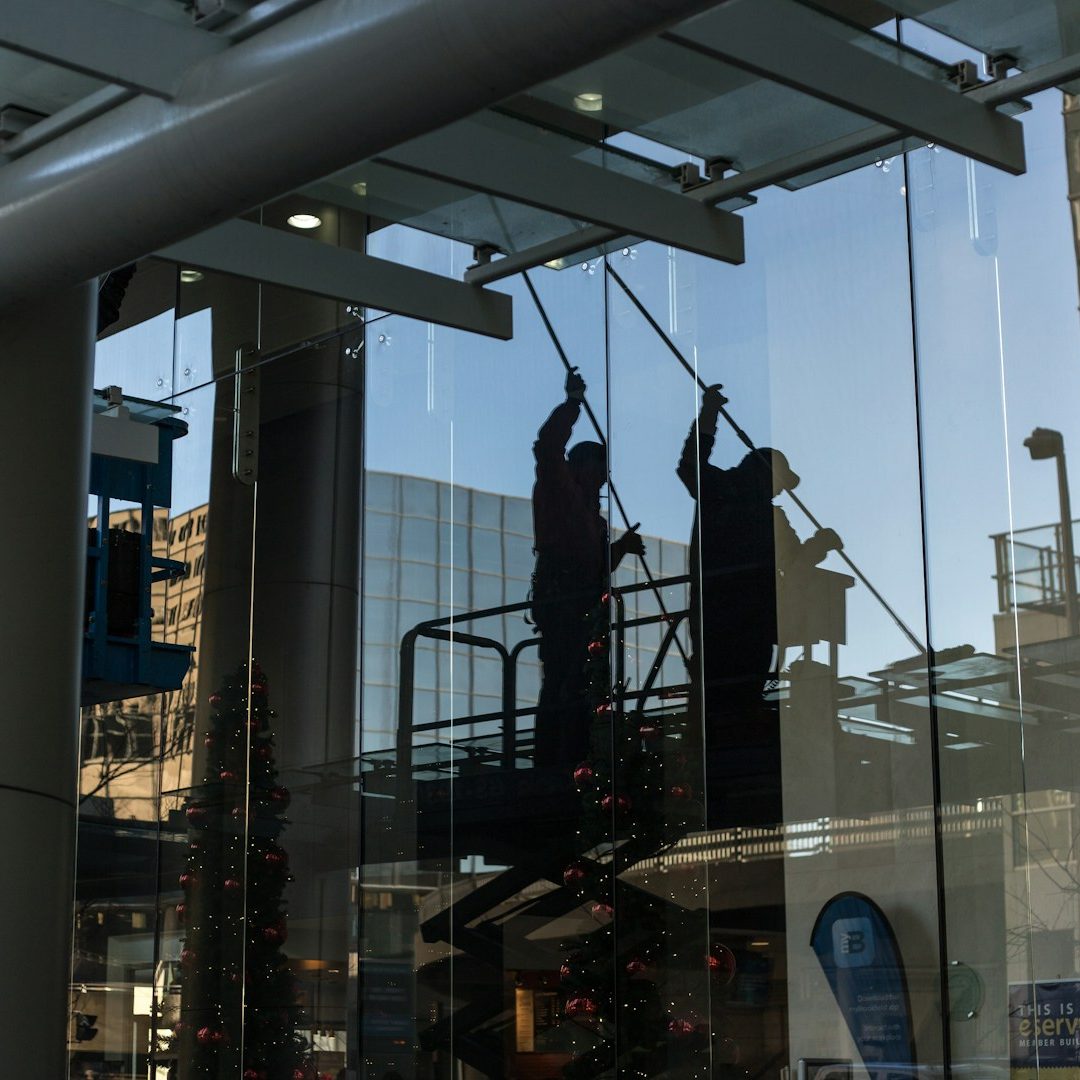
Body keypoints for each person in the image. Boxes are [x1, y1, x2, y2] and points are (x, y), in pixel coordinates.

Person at [677, 385, 841, 735]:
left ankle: (720, 729)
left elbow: (795, 560)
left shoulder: (745, 503)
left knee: (728, 684)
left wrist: (819, 544)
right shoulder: (722, 491)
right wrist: (709, 414)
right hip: (736, 615)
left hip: (735, 615)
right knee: (728, 683)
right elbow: (690, 465)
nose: (779, 491)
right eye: (779, 483)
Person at [531, 368, 644, 769]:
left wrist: (621, 549)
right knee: (565, 677)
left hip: (577, 596)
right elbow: (547, 447)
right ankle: (556, 757)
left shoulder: (591, 517)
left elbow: (595, 566)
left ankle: (571, 753)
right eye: (600, 471)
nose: (604, 480)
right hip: (563, 596)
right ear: (582, 467)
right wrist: (572, 404)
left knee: (578, 677)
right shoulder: (560, 491)